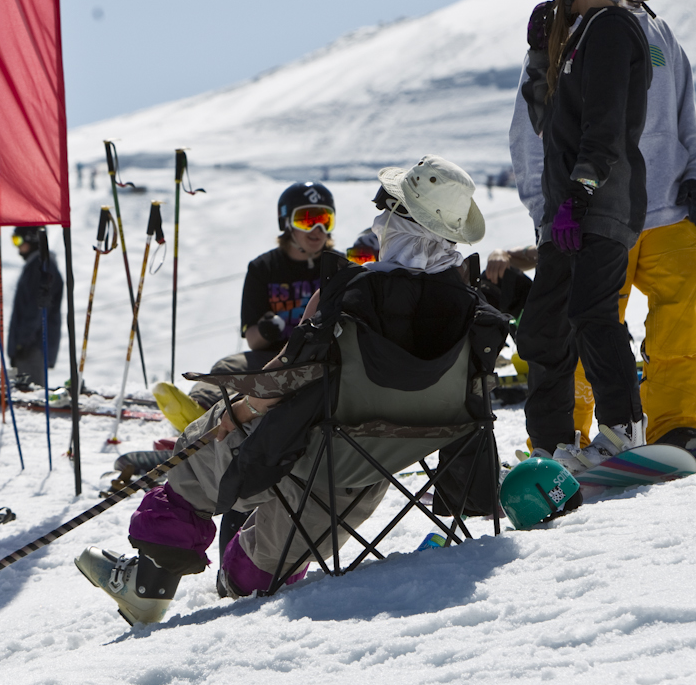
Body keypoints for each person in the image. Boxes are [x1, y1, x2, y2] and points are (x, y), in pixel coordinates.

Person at [77, 157, 496, 624]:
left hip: (314, 449)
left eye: (383, 206)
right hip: (378, 468)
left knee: (202, 444)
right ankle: (251, 577)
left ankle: (148, 585)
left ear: (395, 217)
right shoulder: (472, 310)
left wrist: (238, 408)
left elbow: (286, 375)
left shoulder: (352, 293)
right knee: (266, 555)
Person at [511, 0, 696, 463]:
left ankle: (674, 430)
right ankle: (572, 440)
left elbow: (687, 124)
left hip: (669, 210)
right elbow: (535, 133)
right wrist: (545, 210)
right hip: (598, 211)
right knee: (586, 327)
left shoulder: (657, 33)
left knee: (685, 322)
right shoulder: (567, 35)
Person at [513, 0, 652, 473]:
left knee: (592, 313)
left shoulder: (613, 28)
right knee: (542, 328)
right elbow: (548, 120)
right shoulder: (577, 35)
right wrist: (537, 55)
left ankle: (624, 430)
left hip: (599, 204)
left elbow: (606, 125)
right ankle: (551, 447)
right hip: (566, 212)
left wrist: (580, 194)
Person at [184, 182, 351, 410]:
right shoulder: (263, 268)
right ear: (286, 223)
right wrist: (266, 330)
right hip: (274, 358)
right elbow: (253, 340)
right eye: (307, 220)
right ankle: (198, 409)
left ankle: (233, 412)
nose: (318, 229)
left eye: (325, 219)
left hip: (324, 360)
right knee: (228, 367)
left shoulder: (341, 267)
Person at [6, 225, 63, 386]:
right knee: (23, 394)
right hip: (30, 345)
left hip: (33, 347)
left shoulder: (40, 267)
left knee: (28, 398)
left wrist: (22, 342)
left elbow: (36, 308)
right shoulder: (37, 265)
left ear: (31, 239)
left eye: (18, 240)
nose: (17, 246)